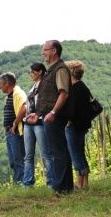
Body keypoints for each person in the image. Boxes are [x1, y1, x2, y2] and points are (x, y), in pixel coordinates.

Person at [33, 40, 73, 194]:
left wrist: (53, 112)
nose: (43, 53)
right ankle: (65, 187)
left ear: (54, 51)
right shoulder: (52, 70)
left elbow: (64, 93)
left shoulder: (60, 69)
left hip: (55, 117)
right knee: (58, 151)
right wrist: (37, 115)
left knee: (58, 152)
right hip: (49, 116)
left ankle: (61, 188)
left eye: (45, 50)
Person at [21, 63, 53, 186]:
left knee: (46, 154)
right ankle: (28, 182)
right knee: (28, 155)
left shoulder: (44, 86)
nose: (30, 74)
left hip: (39, 122)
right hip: (29, 123)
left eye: (32, 72)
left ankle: (51, 181)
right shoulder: (33, 87)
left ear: (39, 72)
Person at [64, 60, 93, 189]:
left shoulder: (75, 89)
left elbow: (72, 109)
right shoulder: (83, 87)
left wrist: (68, 121)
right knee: (80, 152)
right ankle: (85, 182)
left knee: (75, 154)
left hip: (74, 125)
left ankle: (79, 182)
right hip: (82, 125)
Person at [0, 72, 27, 184]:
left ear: (7, 83)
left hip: (15, 132)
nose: (0, 86)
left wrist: (15, 123)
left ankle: (21, 184)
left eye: (1, 83)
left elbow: (24, 107)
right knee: (13, 161)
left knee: (18, 160)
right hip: (10, 133)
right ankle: (18, 183)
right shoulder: (10, 96)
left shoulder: (18, 93)